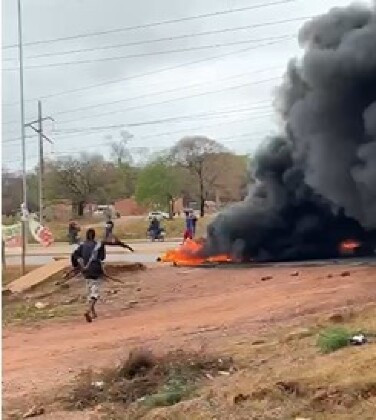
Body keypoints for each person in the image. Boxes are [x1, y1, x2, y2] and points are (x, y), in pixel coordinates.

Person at [71, 228, 105, 323]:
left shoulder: (82, 245)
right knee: (95, 293)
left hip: (86, 271)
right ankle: (88, 311)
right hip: (96, 270)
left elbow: (74, 255)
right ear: (94, 236)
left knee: (90, 291)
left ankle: (93, 313)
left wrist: (77, 265)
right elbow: (102, 258)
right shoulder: (98, 245)